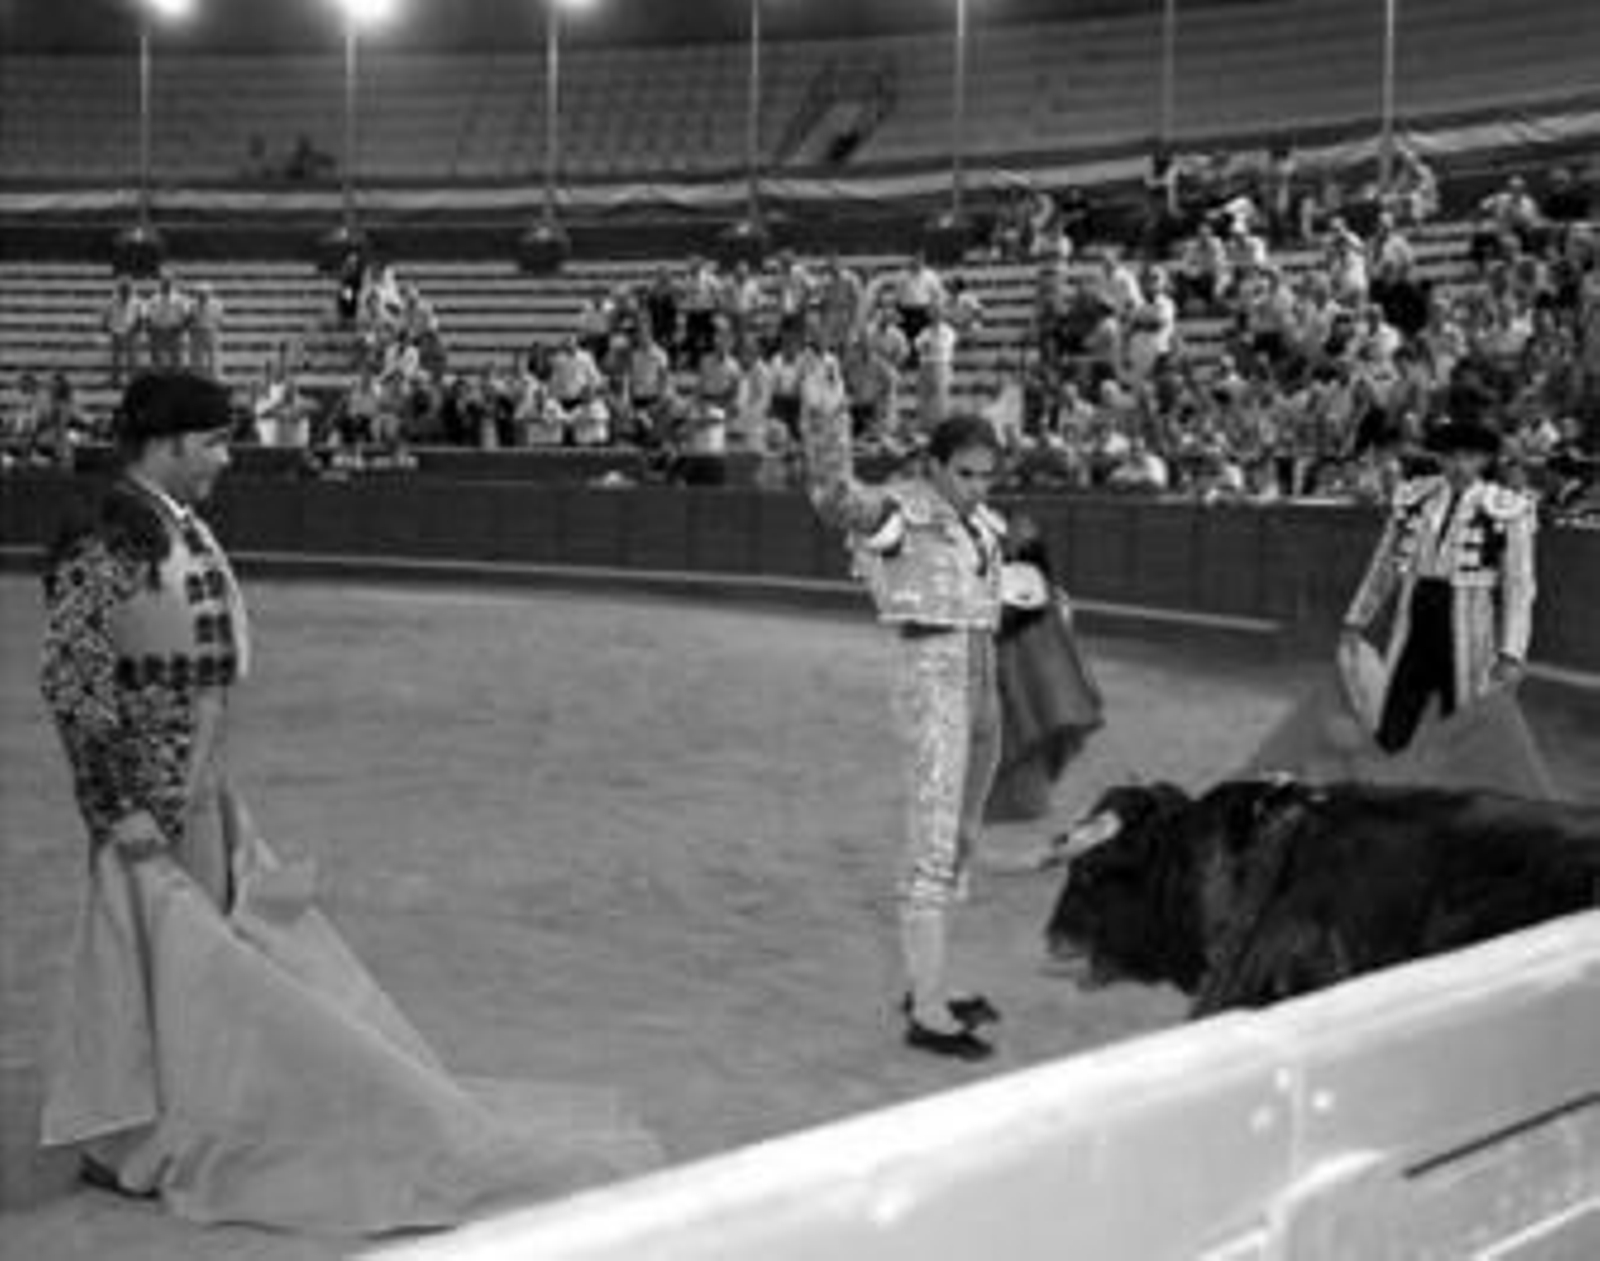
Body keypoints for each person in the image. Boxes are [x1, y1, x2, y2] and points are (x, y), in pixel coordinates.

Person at [37, 371, 653, 1232]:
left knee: (195, 962)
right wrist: (117, 805)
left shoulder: (171, 525)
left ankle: (176, 1122)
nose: (225, 457)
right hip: (146, 792)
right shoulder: (108, 536)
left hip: (199, 783)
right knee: (155, 960)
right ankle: (137, 1136)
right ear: (169, 443)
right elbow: (73, 681)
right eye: (212, 441)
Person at [801, 371, 1009, 1062]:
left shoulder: (982, 524)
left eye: (987, 474)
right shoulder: (899, 513)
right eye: (967, 473)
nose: (979, 486)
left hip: (983, 689)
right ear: (935, 466)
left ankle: (934, 979)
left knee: (961, 838)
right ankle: (926, 1009)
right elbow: (836, 500)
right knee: (931, 842)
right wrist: (827, 421)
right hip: (933, 690)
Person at [1341, 419, 1537, 754]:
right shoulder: (1415, 497)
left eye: (1469, 457)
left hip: (1469, 622)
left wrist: (1511, 652)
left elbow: (1519, 587)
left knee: (1461, 720)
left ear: (1485, 461)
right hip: (1416, 614)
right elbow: (1384, 564)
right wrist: (1357, 618)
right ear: (1439, 458)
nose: (1459, 465)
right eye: (1451, 456)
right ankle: (1385, 791)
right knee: (1395, 717)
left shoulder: (1506, 508)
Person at [984, 517, 1103, 823]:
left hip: (1008, 677)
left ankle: (1008, 801)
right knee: (1035, 725)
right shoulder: (1055, 595)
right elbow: (1065, 646)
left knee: (1007, 730)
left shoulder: (1001, 590)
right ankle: (1028, 801)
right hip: (1042, 682)